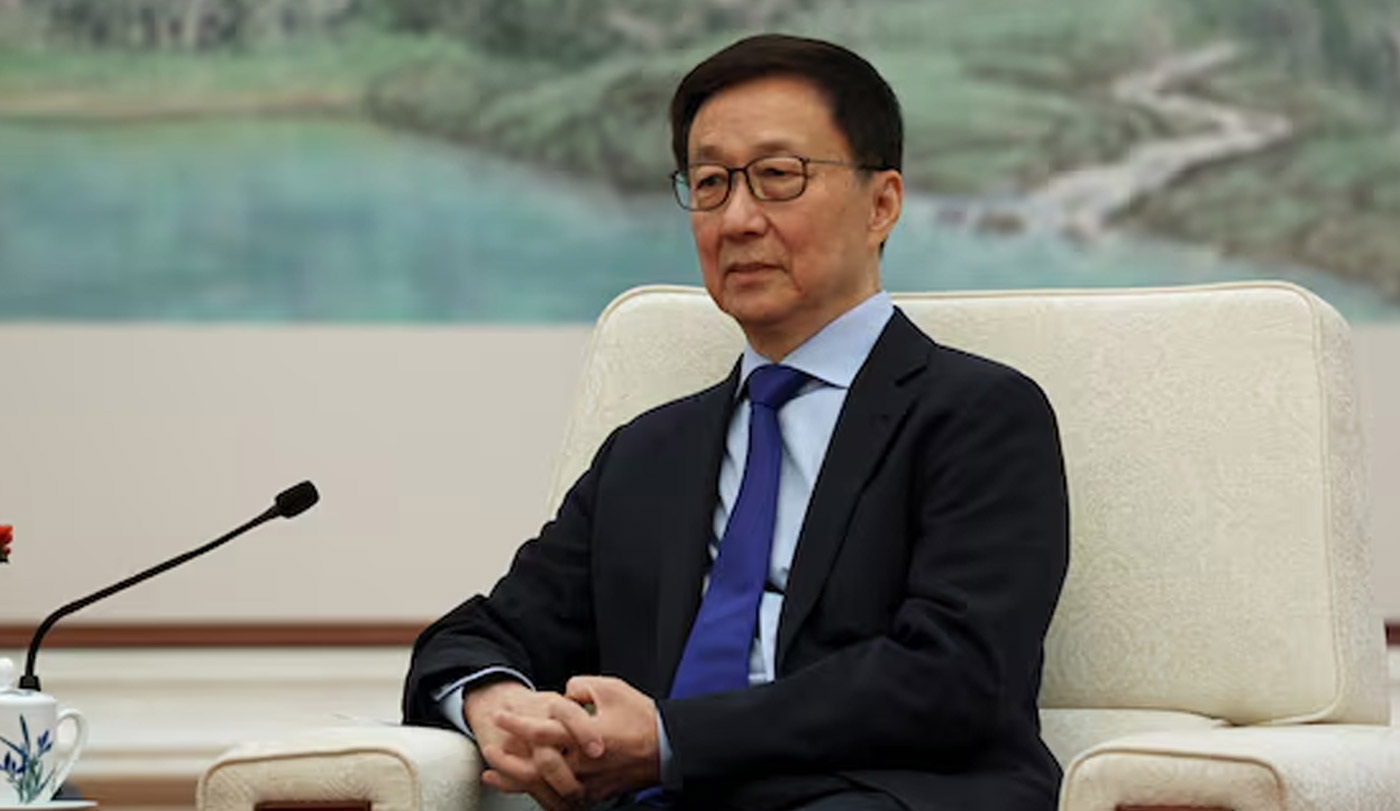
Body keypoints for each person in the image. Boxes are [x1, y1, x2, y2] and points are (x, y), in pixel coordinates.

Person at [403, 33, 1069, 811]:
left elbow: (956, 676)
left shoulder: (979, 415)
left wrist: (670, 737)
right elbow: (479, 634)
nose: (738, 219)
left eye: (778, 176)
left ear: (882, 204)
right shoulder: (647, 451)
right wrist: (497, 704)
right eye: (712, 183)